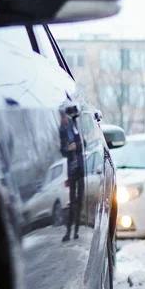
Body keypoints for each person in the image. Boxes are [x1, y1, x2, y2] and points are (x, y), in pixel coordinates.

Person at [58, 103, 84, 242]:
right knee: (72, 201)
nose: (64, 119)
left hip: (81, 169)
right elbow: (62, 150)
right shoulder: (62, 131)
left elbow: (84, 143)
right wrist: (68, 149)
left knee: (79, 200)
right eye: (62, 117)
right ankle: (68, 231)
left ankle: (76, 231)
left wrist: (76, 145)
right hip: (71, 169)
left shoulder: (76, 126)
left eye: (65, 116)